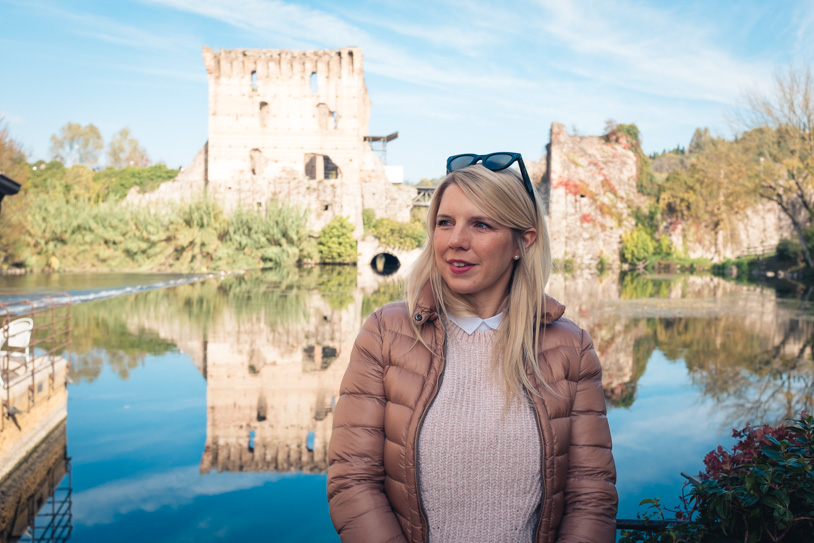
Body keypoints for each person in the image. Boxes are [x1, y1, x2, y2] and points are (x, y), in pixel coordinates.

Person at [327, 152, 618, 543]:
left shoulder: (570, 346)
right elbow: (352, 481)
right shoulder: (385, 332)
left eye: (481, 224)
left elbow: (591, 495)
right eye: (444, 223)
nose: (455, 241)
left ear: (523, 242)